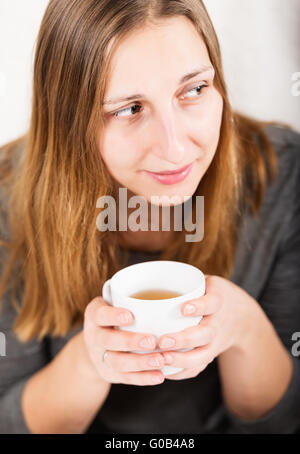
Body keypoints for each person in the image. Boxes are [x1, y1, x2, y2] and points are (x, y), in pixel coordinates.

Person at [0, 0, 300, 434]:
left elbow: (285, 422)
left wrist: (244, 329)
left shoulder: (281, 175)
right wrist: (90, 360)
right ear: (69, 120)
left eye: (193, 89)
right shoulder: (10, 199)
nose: (176, 149)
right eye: (128, 109)